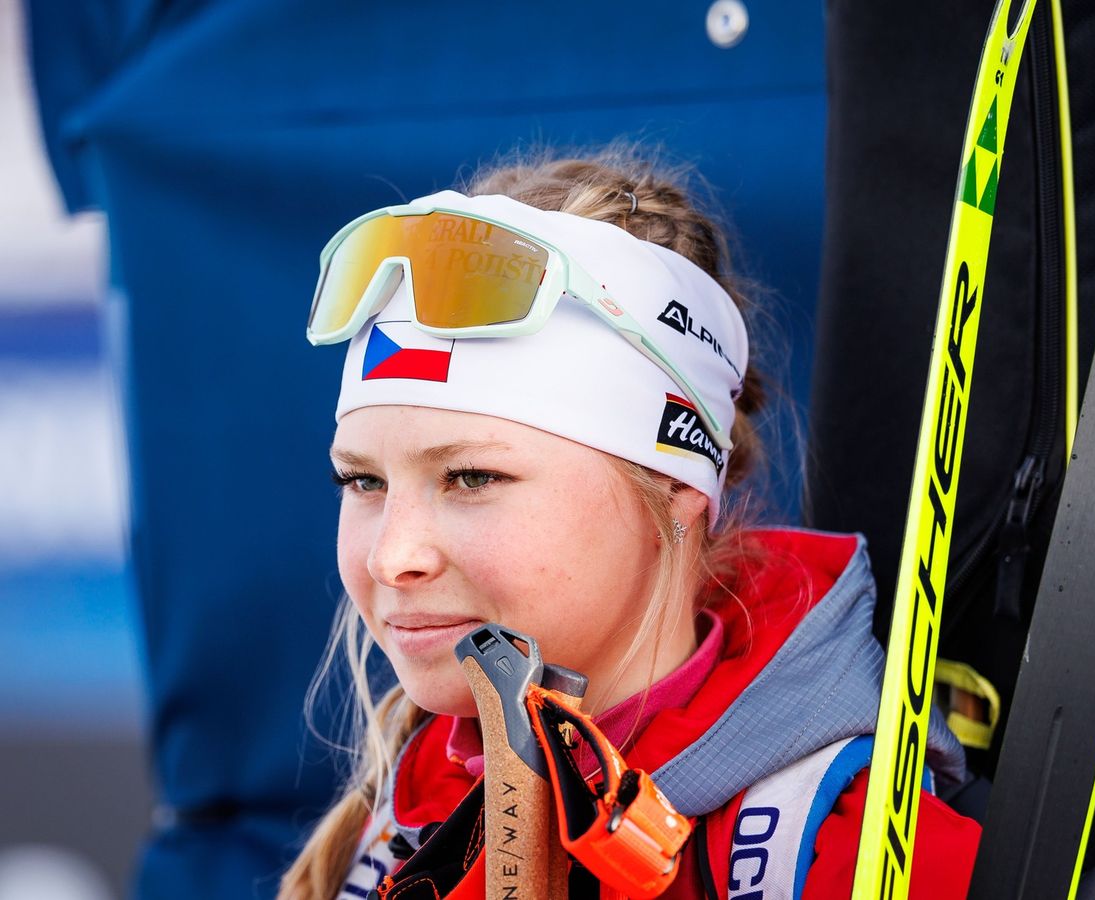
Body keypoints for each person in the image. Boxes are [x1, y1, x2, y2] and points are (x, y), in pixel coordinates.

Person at [279, 148, 981, 900]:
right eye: (363, 481)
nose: (392, 556)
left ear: (675, 485)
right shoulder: (402, 822)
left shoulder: (849, 854)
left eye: (473, 477)